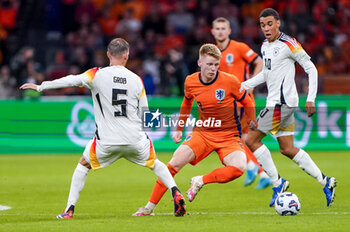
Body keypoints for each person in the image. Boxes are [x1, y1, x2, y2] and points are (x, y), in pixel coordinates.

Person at [19, 38, 186, 218]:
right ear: (126, 55)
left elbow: (72, 80)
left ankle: (69, 210)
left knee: (83, 165)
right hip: (134, 139)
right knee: (155, 164)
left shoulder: (96, 74)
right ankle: (175, 191)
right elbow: (145, 114)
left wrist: (41, 86)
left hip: (107, 141)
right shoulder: (137, 80)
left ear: (107, 55)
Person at [133, 43, 257, 216]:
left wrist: (251, 120)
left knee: (238, 167)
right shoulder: (191, 81)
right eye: (209, 64)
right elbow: (186, 104)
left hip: (228, 136)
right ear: (200, 63)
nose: (213, 68)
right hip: (203, 133)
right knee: (173, 164)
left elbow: (247, 101)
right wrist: (179, 129)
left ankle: (200, 181)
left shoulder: (230, 81)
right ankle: (149, 208)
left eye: (216, 65)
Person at [242, 8, 337, 207]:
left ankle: (278, 183)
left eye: (269, 24)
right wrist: (243, 85)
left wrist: (310, 98)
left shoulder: (289, 43)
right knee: (287, 149)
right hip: (279, 104)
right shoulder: (264, 46)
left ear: (278, 23)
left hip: (281, 104)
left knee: (250, 139)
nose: (266, 28)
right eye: (262, 25)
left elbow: (311, 68)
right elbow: (266, 75)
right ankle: (325, 181)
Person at [211, 17, 272, 189]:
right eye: (218, 28)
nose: (221, 31)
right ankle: (261, 172)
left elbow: (259, 62)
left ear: (229, 31)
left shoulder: (239, 48)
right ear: (212, 31)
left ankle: (253, 168)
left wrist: (251, 84)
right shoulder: (213, 52)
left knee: (233, 136)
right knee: (245, 138)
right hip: (228, 102)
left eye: (224, 28)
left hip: (241, 101)